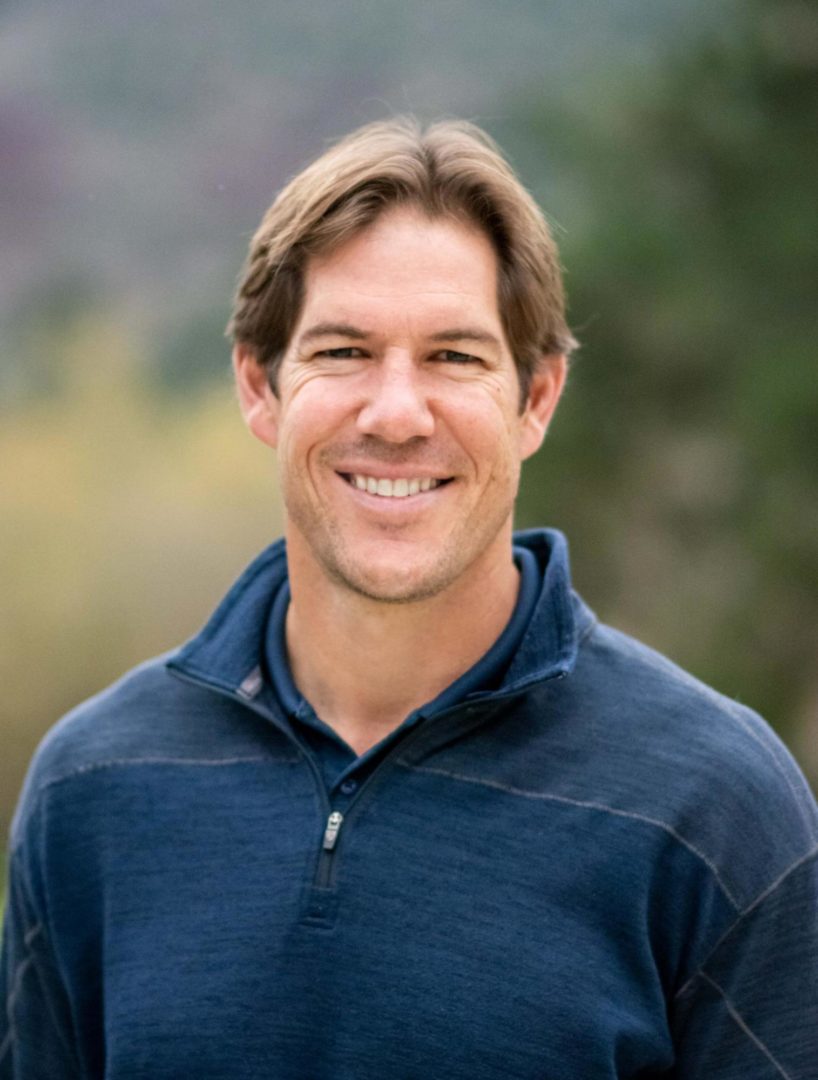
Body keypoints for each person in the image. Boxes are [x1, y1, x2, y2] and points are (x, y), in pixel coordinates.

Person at [2, 118, 816, 1080]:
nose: (396, 414)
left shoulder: (715, 812)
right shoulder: (92, 790)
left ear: (537, 400)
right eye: (344, 351)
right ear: (260, 387)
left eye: (455, 357)